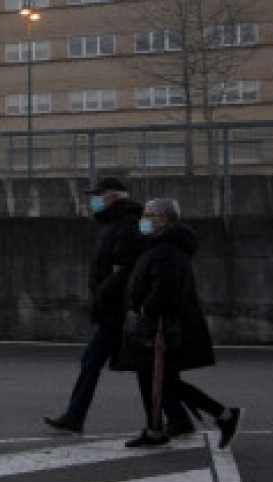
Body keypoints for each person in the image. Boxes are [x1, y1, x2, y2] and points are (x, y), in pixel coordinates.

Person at [44, 177, 194, 435]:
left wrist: (103, 292)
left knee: (101, 362)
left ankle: (76, 416)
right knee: (140, 368)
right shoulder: (113, 224)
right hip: (117, 308)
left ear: (113, 196)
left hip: (118, 311)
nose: (94, 200)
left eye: (99, 195)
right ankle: (174, 418)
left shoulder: (126, 226)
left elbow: (123, 269)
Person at [118, 197, 243, 449]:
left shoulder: (165, 251)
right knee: (157, 380)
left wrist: (145, 308)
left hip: (158, 328)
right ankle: (158, 428)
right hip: (156, 328)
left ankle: (223, 415)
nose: (144, 220)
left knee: (159, 380)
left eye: (149, 215)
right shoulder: (162, 246)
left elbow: (167, 291)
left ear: (163, 221)